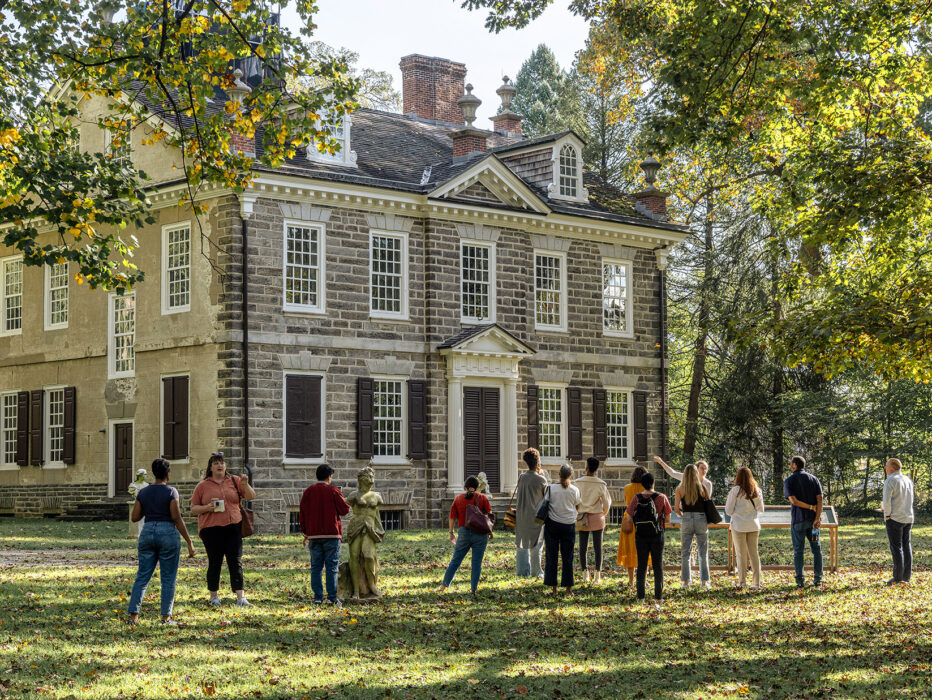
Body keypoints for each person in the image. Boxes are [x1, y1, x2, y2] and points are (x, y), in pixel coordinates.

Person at [127, 459, 196, 626]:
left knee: (142, 576)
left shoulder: (143, 493)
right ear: (168, 474)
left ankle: (133, 616)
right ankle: (166, 617)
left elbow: (135, 517)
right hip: (167, 534)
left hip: (148, 531)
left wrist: (148, 507)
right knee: (168, 578)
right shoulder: (171, 492)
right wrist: (189, 541)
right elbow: (176, 518)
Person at [190, 451, 256, 606]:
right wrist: (207, 507)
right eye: (216, 463)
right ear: (211, 467)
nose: (220, 465)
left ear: (225, 466)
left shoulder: (235, 480)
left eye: (222, 463)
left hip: (233, 526)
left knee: (236, 561)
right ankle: (214, 597)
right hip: (211, 529)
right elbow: (193, 508)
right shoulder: (202, 486)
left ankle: (241, 598)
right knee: (215, 562)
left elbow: (252, 496)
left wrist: (245, 485)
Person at [299, 464, 351, 606]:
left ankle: (318, 597)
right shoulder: (334, 490)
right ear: (329, 477)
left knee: (316, 567)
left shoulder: (308, 491)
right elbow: (345, 510)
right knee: (332, 567)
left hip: (314, 535)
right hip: (332, 535)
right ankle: (332, 598)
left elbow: (302, 513)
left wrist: (306, 531)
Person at [440, 476, 493, 594]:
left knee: (456, 560)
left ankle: (444, 586)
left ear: (465, 487)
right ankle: (473, 589)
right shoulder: (483, 498)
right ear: (477, 487)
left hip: (464, 532)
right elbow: (489, 515)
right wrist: (490, 531)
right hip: (480, 534)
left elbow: (452, 517)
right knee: (476, 563)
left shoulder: (458, 499)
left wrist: (451, 532)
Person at [626, 472, 672, 603]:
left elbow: (629, 516)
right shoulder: (662, 497)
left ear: (642, 484)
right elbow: (668, 518)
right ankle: (658, 597)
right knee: (657, 566)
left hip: (640, 535)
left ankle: (641, 597)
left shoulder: (636, 498)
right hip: (657, 534)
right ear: (653, 483)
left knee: (641, 565)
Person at [344, 467, 385, 601]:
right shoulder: (354, 495)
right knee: (354, 557)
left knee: (369, 556)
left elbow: (377, 514)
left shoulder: (377, 496)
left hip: (370, 528)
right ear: (361, 479)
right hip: (355, 527)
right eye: (368, 477)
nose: (371, 480)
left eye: (372, 477)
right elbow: (344, 507)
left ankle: (372, 585)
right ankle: (356, 590)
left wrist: (378, 529)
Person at [783, 455, 823, 589]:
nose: (790, 466)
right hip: (813, 521)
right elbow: (820, 499)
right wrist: (817, 517)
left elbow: (793, 501)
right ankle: (818, 579)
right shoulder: (814, 479)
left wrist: (810, 507)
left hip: (798, 520)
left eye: (791, 464)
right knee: (816, 550)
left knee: (798, 551)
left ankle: (800, 580)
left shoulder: (789, 480)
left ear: (794, 465)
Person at [724, 467, 765, 591]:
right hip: (753, 524)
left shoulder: (735, 491)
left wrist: (739, 512)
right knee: (754, 555)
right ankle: (756, 583)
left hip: (738, 525)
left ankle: (742, 582)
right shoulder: (756, 490)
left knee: (741, 555)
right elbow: (761, 509)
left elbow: (728, 510)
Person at [544, 464, 581, 594]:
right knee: (568, 557)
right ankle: (568, 588)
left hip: (553, 524)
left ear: (559, 474)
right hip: (568, 524)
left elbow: (545, 503)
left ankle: (553, 588)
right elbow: (577, 506)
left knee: (552, 555)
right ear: (570, 475)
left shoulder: (551, 488)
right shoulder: (574, 490)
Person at [674, 463, 711, 589]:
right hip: (701, 518)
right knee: (703, 552)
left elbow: (676, 509)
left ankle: (685, 582)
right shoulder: (702, 488)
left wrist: (682, 515)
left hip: (687, 519)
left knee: (685, 552)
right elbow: (708, 506)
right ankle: (704, 582)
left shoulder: (680, 489)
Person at [576, 457, 611, 583]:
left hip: (582, 516)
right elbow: (607, 503)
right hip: (597, 516)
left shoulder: (578, 482)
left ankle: (585, 573)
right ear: (596, 470)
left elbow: (574, 500)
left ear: (586, 468)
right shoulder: (601, 484)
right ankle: (597, 574)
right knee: (598, 547)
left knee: (583, 546)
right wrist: (603, 513)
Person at [515, 447, 548, 578]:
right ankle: (536, 571)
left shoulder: (521, 477)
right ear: (537, 462)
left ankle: (522, 572)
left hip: (522, 514)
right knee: (537, 545)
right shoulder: (541, 480)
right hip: (536, 516)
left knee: (522, 544)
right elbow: (546, 498)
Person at [881, 458, 914, 585]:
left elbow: (886, 501)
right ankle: (906, 577)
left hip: (895, 518)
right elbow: (910, 499)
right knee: (906, 546)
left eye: (886, 465)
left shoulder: (890, 480)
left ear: (892, 468)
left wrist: (887, 516)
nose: (885, 468)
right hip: (908, 517)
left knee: (896, 547)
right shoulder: (907, 480)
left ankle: (897, 577)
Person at [618, 466, 649, 587]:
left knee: (630, 550)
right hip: (644, 519)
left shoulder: (627, 488)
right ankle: (643, 580)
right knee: (644, 550)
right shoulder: (647, 488)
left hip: (629, 520)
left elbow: (627, 502)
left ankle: (631, 580)